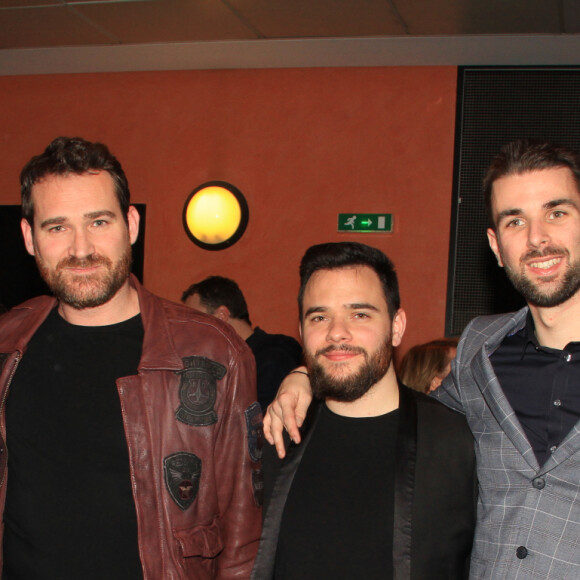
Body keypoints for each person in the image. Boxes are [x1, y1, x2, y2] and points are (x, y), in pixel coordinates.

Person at [264, 139, 580, 579]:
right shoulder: (479, 351)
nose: (537, 237)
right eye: (514, 221)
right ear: (495, 243)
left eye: (556, 212)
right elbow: (393, 403)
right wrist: (304, 374)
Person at [0, 137, 261, 579]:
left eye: (99, 222)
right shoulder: (7, 343)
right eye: (57, 227)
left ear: (131, 224)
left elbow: (243, 536)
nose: (81, 249)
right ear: (29, 237)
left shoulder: (215, 351)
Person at [251, 242, 476, 579]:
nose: (336, 332)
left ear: (396, 326)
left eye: (359, 314)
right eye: (319, 316)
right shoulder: (277, 435)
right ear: (301, 331)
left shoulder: (455, 441)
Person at [182, 276, 302, 411]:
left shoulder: (275, 355)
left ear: (221, 316)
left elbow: (260, 424)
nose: (190, 333)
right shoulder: (225, 364)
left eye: (195, 321)